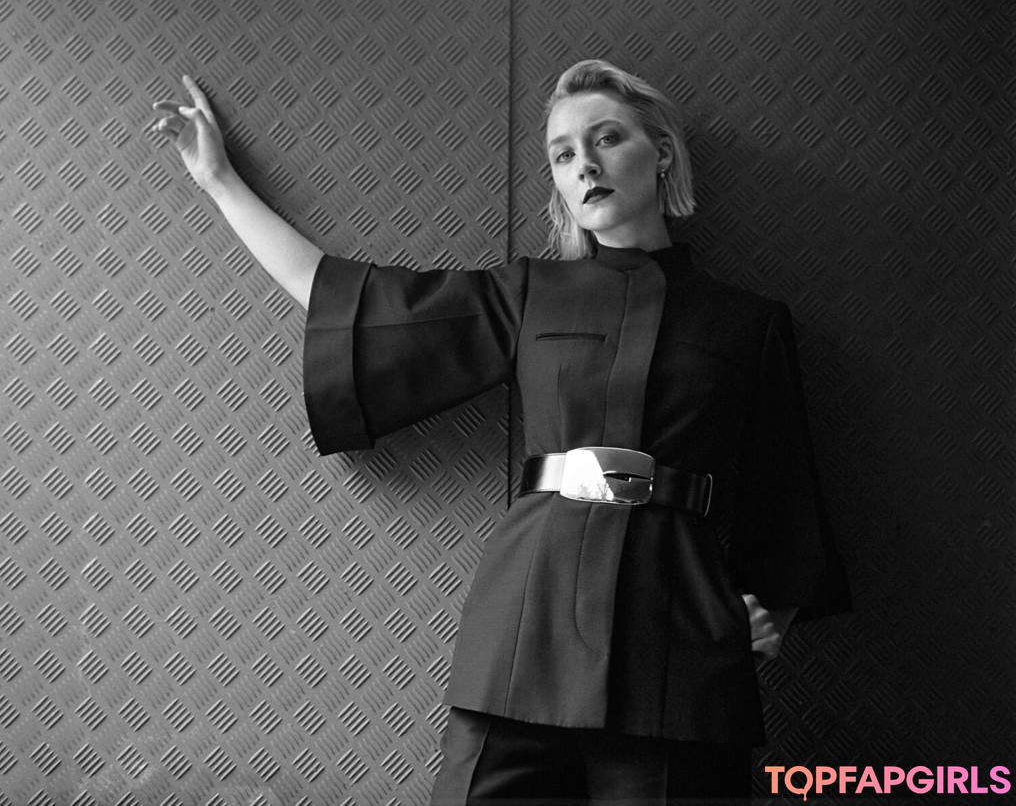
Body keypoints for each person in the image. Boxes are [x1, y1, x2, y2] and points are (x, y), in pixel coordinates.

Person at [153, 60, 849, 805]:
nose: (585, 165)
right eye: (563, 154)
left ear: (662, 153)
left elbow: (786, 495)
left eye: (607, 138)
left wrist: (774, 610)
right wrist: (220, 182)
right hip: (525, 629)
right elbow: (350, 300)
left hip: (681, 647)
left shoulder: (749, 322)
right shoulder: (527, 295)